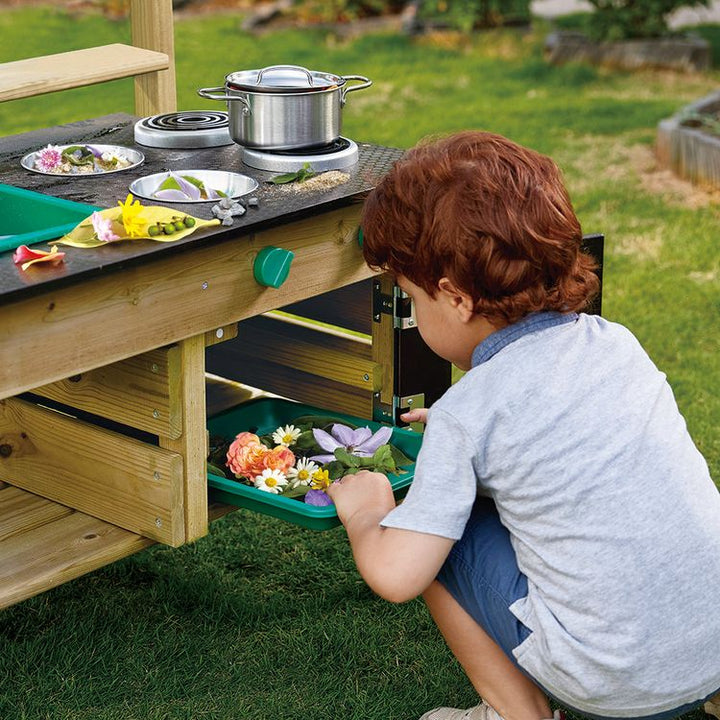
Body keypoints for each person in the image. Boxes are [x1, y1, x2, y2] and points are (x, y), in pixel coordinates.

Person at [325, 131, 720, 720]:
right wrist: (473, 439)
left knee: (438, 533)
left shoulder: (469, 413)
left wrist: (369, 514)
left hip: (614, 685)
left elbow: (398, 575)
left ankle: (516, 713)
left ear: (455, 298)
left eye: (412, 300)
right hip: (712, 651)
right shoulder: (615, 344)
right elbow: (565, 435)